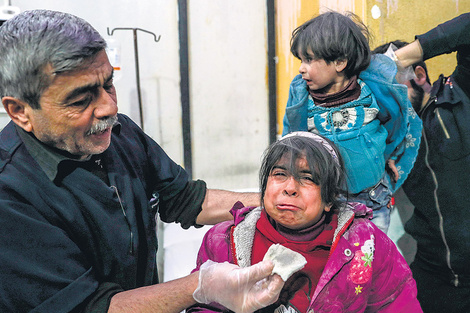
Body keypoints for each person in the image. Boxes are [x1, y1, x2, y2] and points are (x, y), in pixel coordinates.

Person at [0, 9, 285, 313]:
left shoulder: (120, 135)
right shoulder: (10, 194)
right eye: (80, 100)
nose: (109, 107)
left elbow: (186, 199)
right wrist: (200, 286)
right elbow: (91, 307)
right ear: (20, 111)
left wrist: (274, 205)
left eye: (108, 84)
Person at [187, 131, 422, 312]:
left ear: (330, 198)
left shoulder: (367, 244)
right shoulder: (224, 241)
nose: (290, 188)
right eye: (279, 174)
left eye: (307, 178)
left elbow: (395, 303)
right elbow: (204, 306)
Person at [282, 11, 422, 234]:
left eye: (308, 60)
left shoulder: (371, 92)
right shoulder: (302, 99)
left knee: (369, 258)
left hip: (374, 201)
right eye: (301, 60)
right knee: (336, 261)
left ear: (339, 62)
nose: (301, 68)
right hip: (328, 205)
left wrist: (394, 155)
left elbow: (398, 123)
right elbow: (290, 141)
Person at [375, 13, 470, 313]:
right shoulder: (385, 138)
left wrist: (398, 56)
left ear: (418, 75)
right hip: (434, 280)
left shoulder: (463, 94)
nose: (387, 103)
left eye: (392, 87)